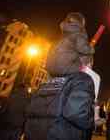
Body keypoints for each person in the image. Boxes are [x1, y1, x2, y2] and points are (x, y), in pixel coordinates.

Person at [24, 12, 96, 140]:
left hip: (53, 70)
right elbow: (76, 113)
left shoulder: (61, 38)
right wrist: (90, 49)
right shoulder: (81, 80)